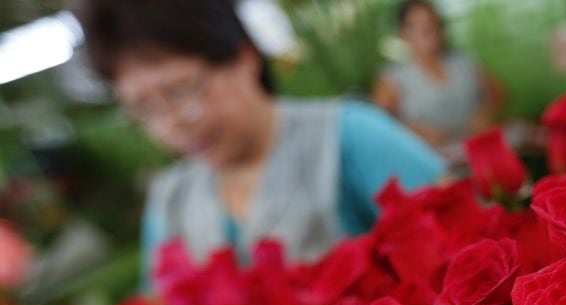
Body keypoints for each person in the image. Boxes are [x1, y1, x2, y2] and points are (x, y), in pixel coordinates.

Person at [75, 0, 447, 285]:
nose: (170, 125)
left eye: (179, 92)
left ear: (244, 57)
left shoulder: (347, 136)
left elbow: (461, 235)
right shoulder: (171, 200)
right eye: (143, 109)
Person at [372, 0, 505, 149]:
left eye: (432, 22)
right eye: (417, 26)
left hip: (478, 149)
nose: (428, 30)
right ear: (403, 33)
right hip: (431, 161)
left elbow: (498, 94)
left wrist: (484, 114)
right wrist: (413, 130)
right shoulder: (392, 79)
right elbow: (378, 124)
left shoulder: (464, 63)